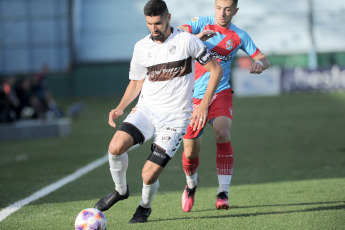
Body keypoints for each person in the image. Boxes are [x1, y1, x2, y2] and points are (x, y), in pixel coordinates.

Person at [94, 0, 223, 224]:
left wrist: (203, 104)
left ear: (168, 18)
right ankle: (120, 190)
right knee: (115, 147)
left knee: (148, 174)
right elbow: (136, 82)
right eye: (150, 24)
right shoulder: (141, 47)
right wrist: (120, 107)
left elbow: (216, 69)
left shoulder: (187, 41)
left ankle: (144, 206)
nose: (155, 29)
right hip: (147, 110)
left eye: (159, 23)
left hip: (175, 118)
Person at [178, 0, 270, 212]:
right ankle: (191, 185)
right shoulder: (200, 23)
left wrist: (259, 64)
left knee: (222, 132)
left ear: (235, 11)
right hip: (193, 96)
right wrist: (196, 38)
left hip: (221, 91)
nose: (222, 13)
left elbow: (263, 58)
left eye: (228, 9)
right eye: (219, 8)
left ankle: (223, 192)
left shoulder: (239, 35)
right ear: (214, 7)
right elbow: (177, 35)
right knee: (191, 151)